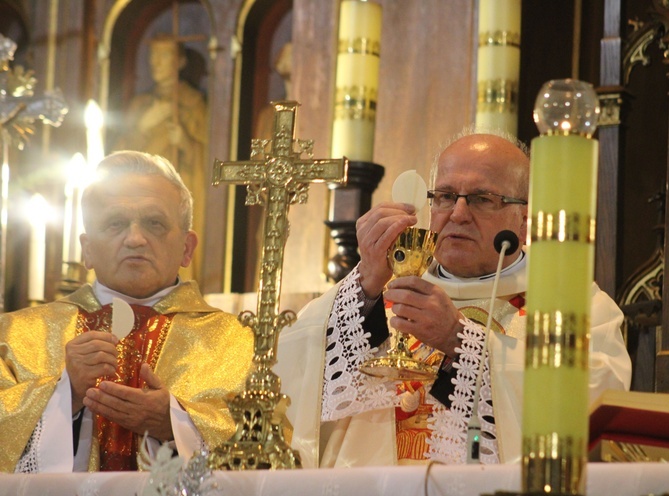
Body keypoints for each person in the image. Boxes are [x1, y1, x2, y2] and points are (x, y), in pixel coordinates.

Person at [276, 129, 632, 467]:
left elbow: (592, 397)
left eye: (481, 199)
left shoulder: (572, 303)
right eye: (445, 196)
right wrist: (366, 281)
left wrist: (462, 344)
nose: (458, 214)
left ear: (524, 219)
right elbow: (291, 369)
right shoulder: (383, 284)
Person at [0, 151, 254, 473]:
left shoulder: (240, 343)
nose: (135, 239)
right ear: (87, 249)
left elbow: (271, 449)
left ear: (187, 248)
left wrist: (175, 423)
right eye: (115, 223)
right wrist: (66, 393)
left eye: (155, 223)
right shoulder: (14, 336)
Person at [116, 35, 208, 284]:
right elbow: (117, 162)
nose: (156, 63)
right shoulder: (140, 105)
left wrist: (185, 143)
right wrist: (144, 126)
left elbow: (210, 163)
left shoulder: (193, 103)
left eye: (164, 56)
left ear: (180, 61)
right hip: (137, 198)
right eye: (152, 56)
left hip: (173, 199)